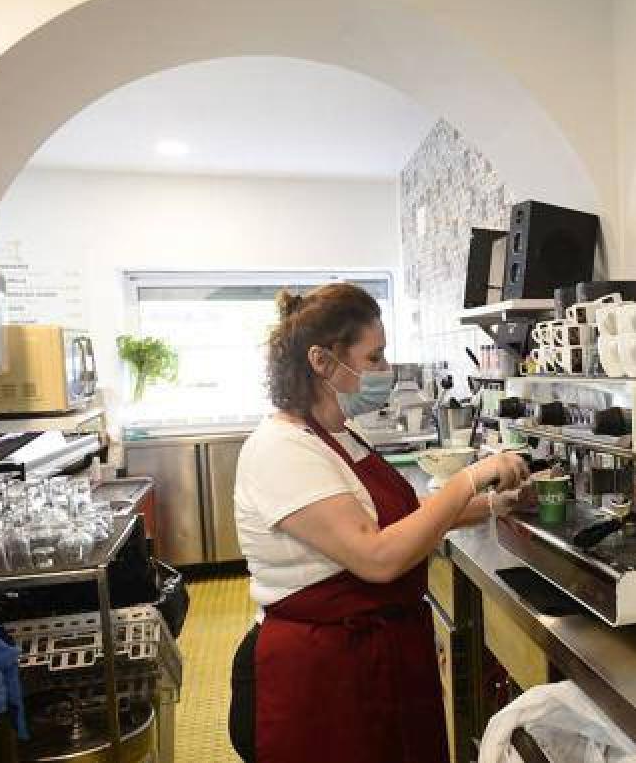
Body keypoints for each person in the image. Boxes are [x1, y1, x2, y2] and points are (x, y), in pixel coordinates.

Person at [227, 283, 531, 762]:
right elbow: (377, 556)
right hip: (323, 674)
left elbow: (407, 523)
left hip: (379, 658)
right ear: (322, 362)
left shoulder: (340, 436)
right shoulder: (281, 449)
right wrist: (468, 480)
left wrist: (496, 505)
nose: (385, 371)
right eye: (374, 358)